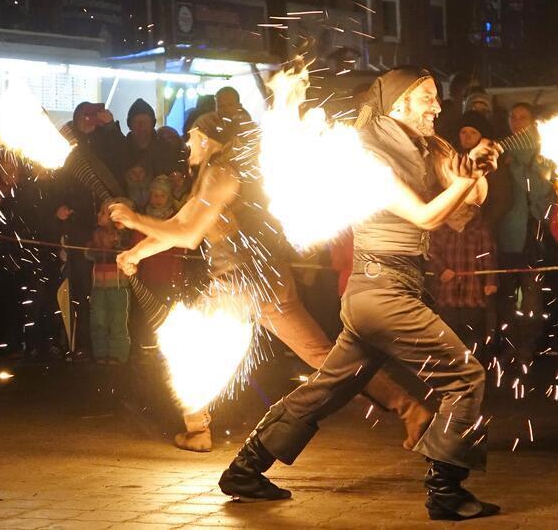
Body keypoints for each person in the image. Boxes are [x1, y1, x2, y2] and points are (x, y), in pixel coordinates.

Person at [212, 67, 500, 520]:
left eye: (438, 98)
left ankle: (245, 470)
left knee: (328, 388)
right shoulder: (367, 156)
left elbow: (471, 198)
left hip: (393, 289)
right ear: (400, 103)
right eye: (427, 98)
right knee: (466, 378)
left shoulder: (431, 146)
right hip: (381, 290)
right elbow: (427, 216)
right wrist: (465, 180)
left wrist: (477, 164)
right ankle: (446, 492)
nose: (438, 107)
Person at [111, 102, 435, 456]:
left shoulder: (222, 174)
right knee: (324, 357)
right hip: (266, 280)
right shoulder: (212, 176)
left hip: (240, 283)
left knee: (185, 346)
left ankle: (198, 430)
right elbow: (178, 225)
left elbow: (188, 234)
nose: (187, 142)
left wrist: (134, 220)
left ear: (207, 138)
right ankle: (409, 408)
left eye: (193, 135)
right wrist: (137, 253)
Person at [429, 112, 497, 353]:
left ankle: (476, 360)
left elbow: (488, 254)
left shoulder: (478, 226)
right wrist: (440, 270)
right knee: (448, 329)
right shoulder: (442, 225)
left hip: (471, 291)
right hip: (447, 292)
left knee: (473, 329)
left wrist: (489, 280)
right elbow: (433, 250)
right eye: (463, 132)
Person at [494, 103, 553, 366]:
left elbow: (541, 192)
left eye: (523, 118)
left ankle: (527, 344)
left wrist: (517, 166)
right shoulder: (500, 151)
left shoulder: (544, 153)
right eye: (513, 117)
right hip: (506, 235)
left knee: (531, 295)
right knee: (507, 296)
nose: (517, 123)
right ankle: (509, 345)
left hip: (533, 236)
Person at [86, 199, 132, 365]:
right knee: (98, 320)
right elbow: (88, 254)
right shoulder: (95, 234)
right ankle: (100, 353)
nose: (99, 215)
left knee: (118, 321)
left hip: (118, 288)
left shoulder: (123, 236)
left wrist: (112, 246)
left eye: (103, 213)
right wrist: (93, 248)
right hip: (98, 286)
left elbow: (126, 255)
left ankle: (117, 355)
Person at [126, 98, 179, 178]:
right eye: (136, 121)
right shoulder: (122, 150)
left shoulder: (166, 150)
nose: (141, 125)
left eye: (146, 121)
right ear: (130, 125)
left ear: (153, 124)